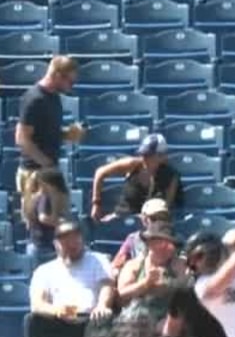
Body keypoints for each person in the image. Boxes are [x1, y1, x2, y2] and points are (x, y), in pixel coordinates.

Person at [23, 221, 115, 337]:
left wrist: (102, 305)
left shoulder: (98, 260)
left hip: (90, 321)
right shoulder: (44, 270)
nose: (72, 245)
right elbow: (37, 304)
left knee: (105, 317)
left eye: (75, 240)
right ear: (56, 244)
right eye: (66, 242)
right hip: (61, 321)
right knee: (32, 321)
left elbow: (106, 286)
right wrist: (57, 311)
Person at [15, 56, 83, 201]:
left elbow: (46, 132)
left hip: (49, 170)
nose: (71, 86)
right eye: (70, 82)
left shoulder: (54, 97)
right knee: (37, 220)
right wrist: (47, 164)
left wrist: (67, 134)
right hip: (34, 172)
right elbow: (22, 138)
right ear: (58, 75)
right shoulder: (34, 99)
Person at [89, 133, 183, 221]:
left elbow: (165, 207)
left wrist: (142, 217)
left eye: (149, 155)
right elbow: (100, 172)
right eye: (143, 154)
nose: (144, 158)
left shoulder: (171, 177)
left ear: (161, 156)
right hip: (123, 217)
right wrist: (96, 203)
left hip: (151, 223)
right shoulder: (133, 165)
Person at [113, 222, 181, 325]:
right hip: (134, 320)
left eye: (170, 243)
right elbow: (122, 295)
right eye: (161, 242)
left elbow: (187, 290)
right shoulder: (134, 265)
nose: (167, 247)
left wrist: (169, 284)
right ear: (149, 243)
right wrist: (146, 283)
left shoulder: (179, 264)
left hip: (167, 321)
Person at [20, 166, 71, 260]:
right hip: (42, 246)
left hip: (46, 244)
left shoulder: (52, 197)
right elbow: (43, 218)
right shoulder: (44, 197)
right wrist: (62, 223)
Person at [110, 198, 171, 271]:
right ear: (144, 220)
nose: (160, 222)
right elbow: (116, 265)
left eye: (164, 218)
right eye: (154, 218)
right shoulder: (133, 239)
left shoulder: (176, 240)